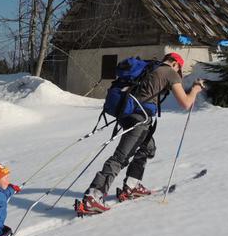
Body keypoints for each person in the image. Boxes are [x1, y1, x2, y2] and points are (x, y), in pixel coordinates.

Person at [78, 52, 206, 214]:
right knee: (121, 156)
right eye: (179, 69)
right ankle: (93, 196)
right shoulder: (170, 72)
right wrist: (195, 89)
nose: (178, 73)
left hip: (128, 114)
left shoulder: (150, 68)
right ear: (176, 64)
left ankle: (131, 186)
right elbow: (186, 103)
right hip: (140, 118)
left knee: (148, 147)